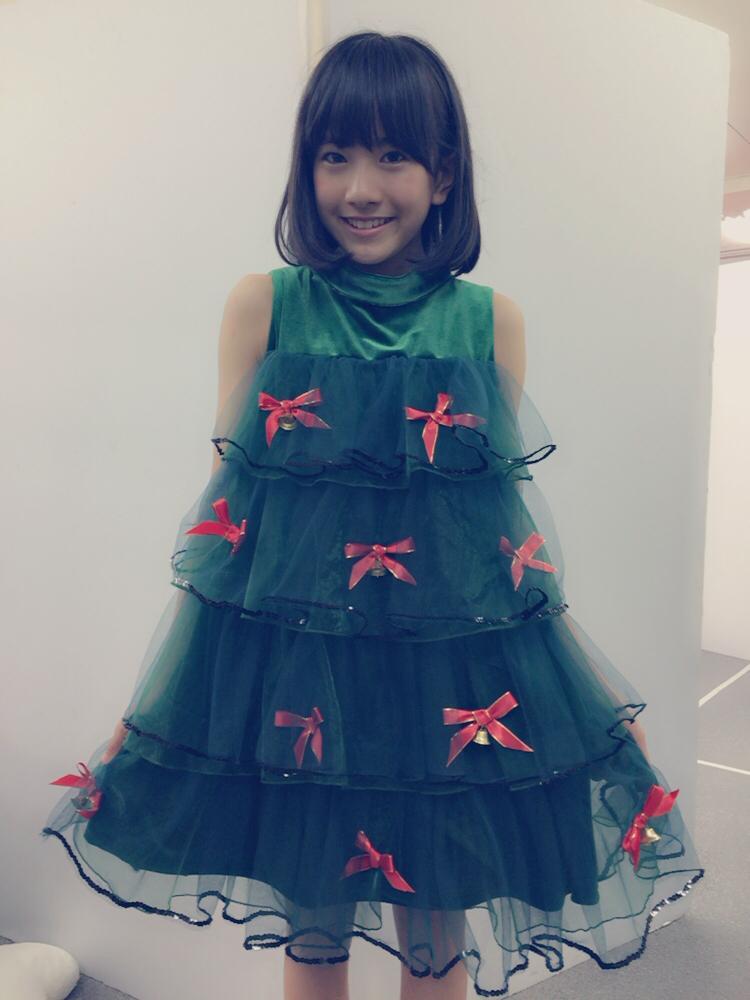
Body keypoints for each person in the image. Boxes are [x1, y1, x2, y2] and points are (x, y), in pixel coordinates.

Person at [42, 30, 705, 1000]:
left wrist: (582, 698)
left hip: (442, 681)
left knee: (436, 929)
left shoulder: (489, 320)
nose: (361, 186)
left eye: (394, 155)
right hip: (302, 678)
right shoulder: (263, 306)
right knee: (313, 932)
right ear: (305, 166)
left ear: (445, 175)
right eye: (335, 154)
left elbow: (493, 529)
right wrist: (164, 705)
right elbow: (234, 514)